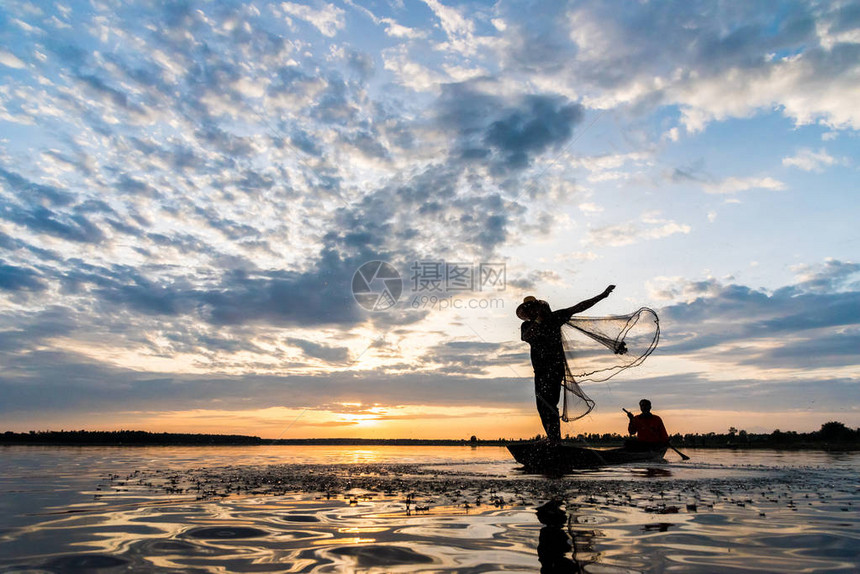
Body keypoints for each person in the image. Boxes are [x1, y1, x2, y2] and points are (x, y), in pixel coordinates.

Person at [517, 285, 616, 444]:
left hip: (554, 369)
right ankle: (553, 439)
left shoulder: (555, 318)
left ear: (539, 307)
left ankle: (555, 441)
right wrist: (537, 321)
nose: (532, 311)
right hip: (540, 371)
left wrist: (602, 295)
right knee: (542, 406)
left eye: (534, 308)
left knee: (549, 404)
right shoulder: (527, 326)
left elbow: (579, 307)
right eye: (529, 310)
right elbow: (526, 337)